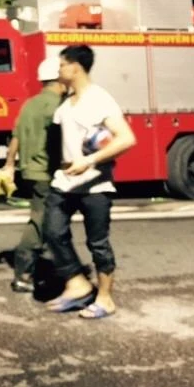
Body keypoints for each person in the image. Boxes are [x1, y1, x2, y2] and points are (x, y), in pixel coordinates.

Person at [43, 45, 136, 319]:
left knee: (98, 244)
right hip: (65, 182)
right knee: (52, 230)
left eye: (62, 65)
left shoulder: (99, 99)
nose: (58, 70)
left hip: (95, 185)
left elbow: (127, 138)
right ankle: (77, 284)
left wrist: (90, 160)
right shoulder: (66, 102)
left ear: (75, 67)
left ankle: (105, 299)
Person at [0, 58, 65, 293]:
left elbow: (15, 138)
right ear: (59, 79)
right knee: (41, 222)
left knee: (46, 220)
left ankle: (57, 268)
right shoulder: (58, 105)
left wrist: (9, 165)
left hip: (30, 171)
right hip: (48, 172)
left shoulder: (29, 105)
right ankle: (24, 272)